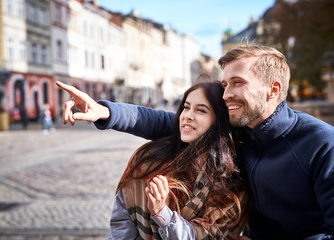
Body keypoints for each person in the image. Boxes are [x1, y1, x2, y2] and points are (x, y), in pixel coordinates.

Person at [56, 44, 334, 240]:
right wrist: (107, 112)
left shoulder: (321, 143)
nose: (226, 94)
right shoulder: (237, 132)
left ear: (273, 89)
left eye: (237, 83)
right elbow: (163, 122)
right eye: (225, 85)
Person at [56, 80, 251, 240]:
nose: (187, 116)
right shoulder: (151, 160)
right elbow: (123, 220)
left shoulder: (230, 183)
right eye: (185, 107)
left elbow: (205, 236)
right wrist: (103, 111)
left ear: (218, 122)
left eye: (201, 110)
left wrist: (162, 214)